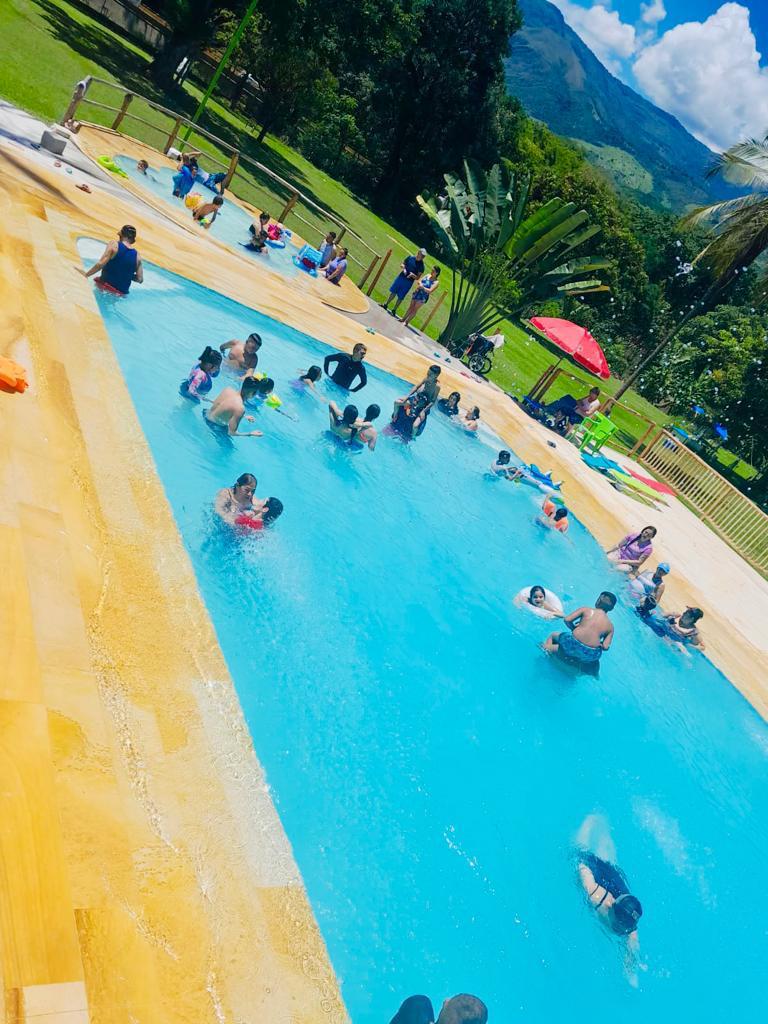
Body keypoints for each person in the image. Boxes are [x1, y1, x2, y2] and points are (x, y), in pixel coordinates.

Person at [576, 814, 642, 966]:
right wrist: (581, 870)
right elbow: (581, 865)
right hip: (599, 877)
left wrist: (629, 967)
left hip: (620, 892)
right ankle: (591, 821)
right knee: (581, 854)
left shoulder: (629, 926)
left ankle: (598, 827)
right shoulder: (597, 897)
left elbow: (633, 943)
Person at [543, 592, 616, 669]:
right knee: (595, 660)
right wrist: (599, 644)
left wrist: (574, 628)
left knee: (553, 635)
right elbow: (605, 647)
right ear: (611, 609)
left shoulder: (586, 610)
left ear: (598, 600)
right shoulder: (610, 626)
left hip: (572, 643)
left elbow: (567, 620)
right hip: (589, 653)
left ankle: (547, 650)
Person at [79, 225, 143, 296]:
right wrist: (125, 273)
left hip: (103, 287)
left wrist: (86, 275)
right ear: (133, 240)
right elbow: (140, 279)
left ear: (121, 234)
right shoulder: (138, 257)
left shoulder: (114, 245)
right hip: (120, 294)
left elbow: (100, 264)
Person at [382, 248, 427, 315]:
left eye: (423, 256)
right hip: (401, 277)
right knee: (394, 291)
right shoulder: (410, 258)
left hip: (408, 282)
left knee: (401, 296)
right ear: (418, 253)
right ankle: (386, 304)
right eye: (422, 255)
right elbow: (402, 264)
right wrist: (404, 269)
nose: (422, 257)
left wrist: (412, 275)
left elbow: (418, 277)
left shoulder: (422, 266)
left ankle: (394, 310)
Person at [640, 604, 705, 648]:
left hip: (672, 643)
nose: (683, 614)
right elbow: (660, 616)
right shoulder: (676, 615)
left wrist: (688, 645)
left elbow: (702, 647)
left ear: (691, 619)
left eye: (686, 614)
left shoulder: (693, 631)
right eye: (685, 612)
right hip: (660, 632)